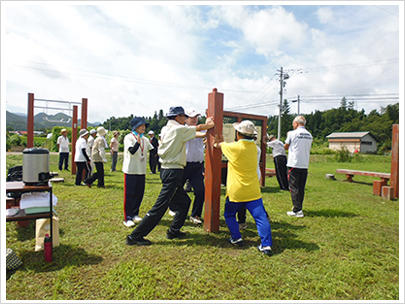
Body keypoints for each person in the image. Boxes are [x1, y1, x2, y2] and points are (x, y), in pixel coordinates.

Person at [126, 106, 214, 246]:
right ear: (178, 117)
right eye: (184, 116)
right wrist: (210, 124)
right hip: (173, 171)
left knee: (184, 202)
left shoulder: (167, 128)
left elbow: (194, 133)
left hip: (169, 170)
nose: (186, 119)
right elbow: (198, 128)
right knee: (160, 207)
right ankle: (135, 236)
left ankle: (173, 231)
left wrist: (204, 132)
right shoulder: (178, 129)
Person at [214, 120, 273, 256]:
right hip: (253, 190)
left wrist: (216, 142)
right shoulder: (255, 149)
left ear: (238, 134)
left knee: (229, 214)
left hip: (236, 191)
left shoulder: (233, 147)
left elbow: (217, 145)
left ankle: (236, 237)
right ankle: (266, 245)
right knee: (261, 218)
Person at [122, 117, 154, 227]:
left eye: (144, 126)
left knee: (139, 193)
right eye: (141, 126)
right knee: (129, 194)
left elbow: (153, 150)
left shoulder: (144, 139)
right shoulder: (129, 137)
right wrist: (137, 142)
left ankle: (135, 213)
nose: (144, 128)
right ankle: (128, 218)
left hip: (141, 170)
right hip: (131, 170)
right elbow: (131, 151)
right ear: (135, 127)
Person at [284, 115, 313, 218]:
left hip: (294, 163)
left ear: (296, 123)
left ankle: (297, 210)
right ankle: (298, 207)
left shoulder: (292, 133)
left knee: (293, 187)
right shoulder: (309, 135)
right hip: (304, 164)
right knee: (301, 187)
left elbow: (286, 146)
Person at [183, 109, 206, 224]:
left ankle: (195, 215)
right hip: (184, 165)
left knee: (201, 191)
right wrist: (206, 133)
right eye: (192, 117)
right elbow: (199, 134)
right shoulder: (184, 129)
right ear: (186, 119)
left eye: (196, 117)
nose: (195, 119)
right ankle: (175, 208)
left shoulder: (201, 128)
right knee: (174, 189)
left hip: (197, 166)